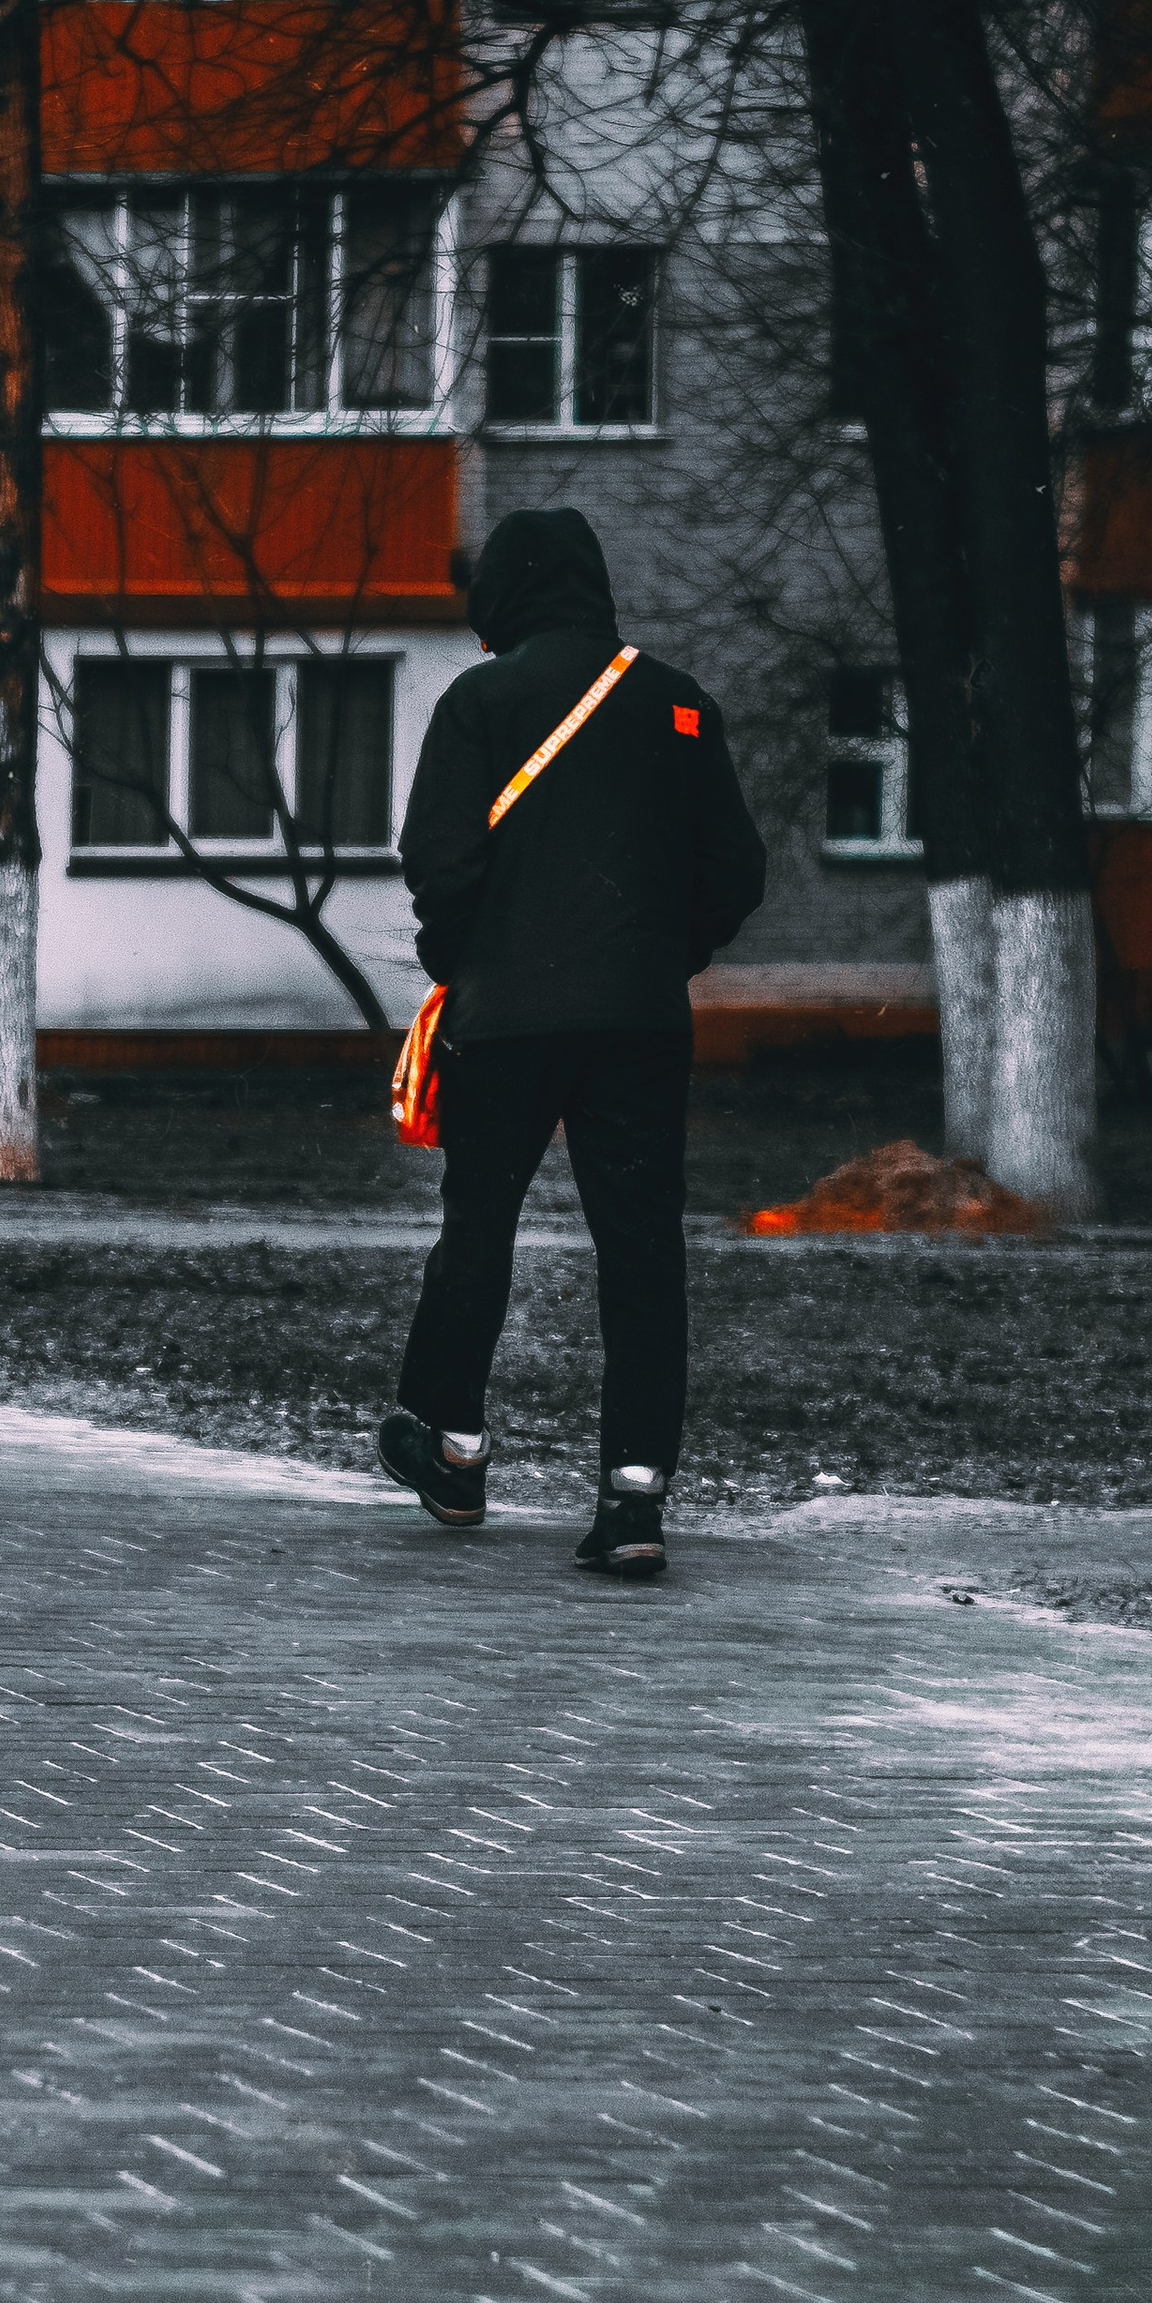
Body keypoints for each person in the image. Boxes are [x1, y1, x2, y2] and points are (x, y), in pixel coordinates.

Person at [379, 505, 765, 1580]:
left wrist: (467, 960)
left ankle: (455, 1446)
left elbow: (438, 859)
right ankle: (634, 1495)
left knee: (480, 1226)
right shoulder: (680, 701)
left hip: (505, 1017)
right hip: (641, 1022)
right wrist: (655, 957)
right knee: (641, 1249)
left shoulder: (481, 700)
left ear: (501, 593)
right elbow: (734, 872)